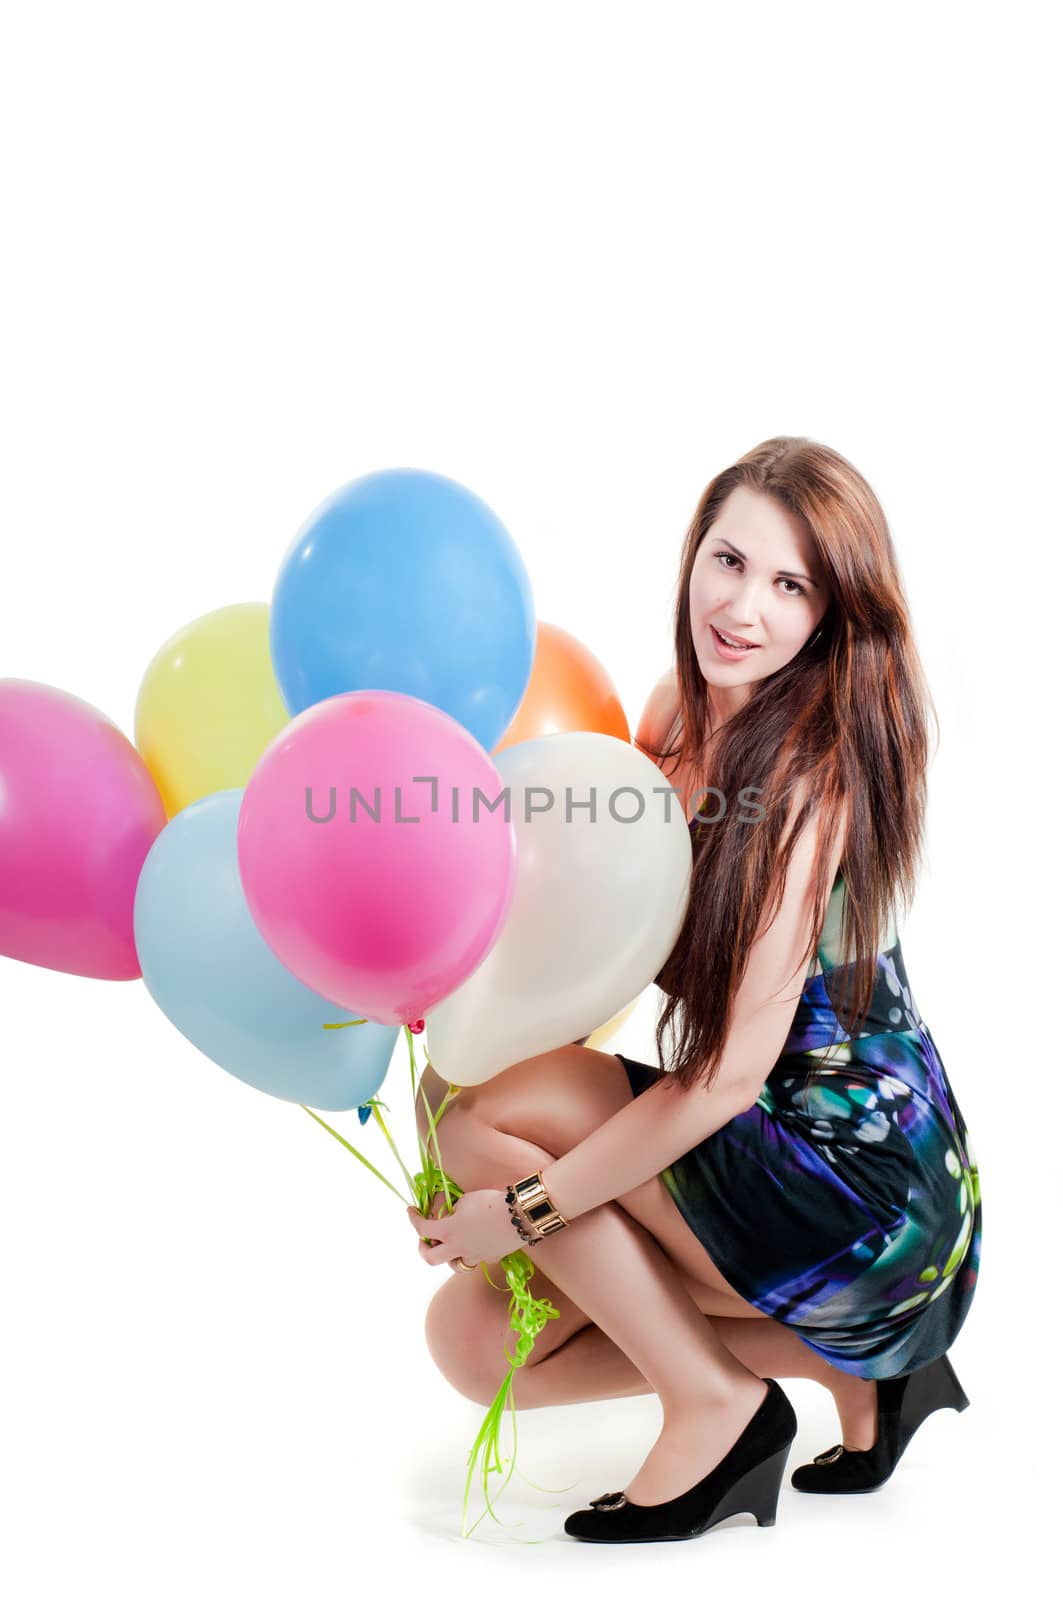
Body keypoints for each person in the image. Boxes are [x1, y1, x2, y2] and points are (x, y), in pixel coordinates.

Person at [407, 436, 981, 1544]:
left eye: (789, 584)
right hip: (773, 1156)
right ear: (692, 552)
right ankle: (857, 1369)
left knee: (490, 1122)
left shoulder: (811, 780)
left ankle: (716, 1409)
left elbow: (719, 1081)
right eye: (728, 560)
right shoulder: (675, 715)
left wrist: (522, 1203)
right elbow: (600, 942)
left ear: (829, 613)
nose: (742, 607)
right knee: (475, 1347)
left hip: (864, 1188)